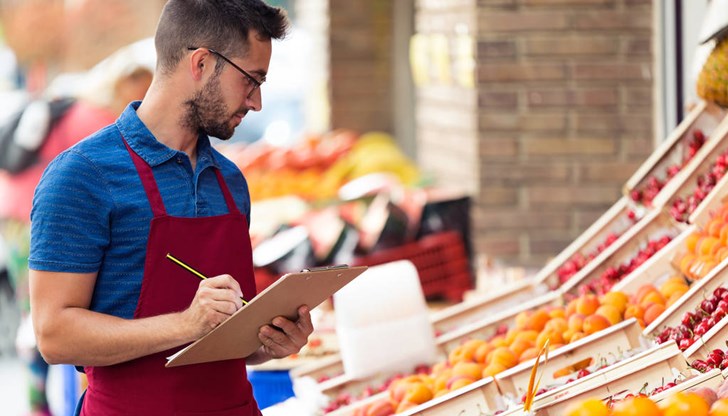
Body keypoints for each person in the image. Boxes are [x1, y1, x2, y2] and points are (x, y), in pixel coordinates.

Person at [28, 1, 313, 415]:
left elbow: (227, 335)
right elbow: (53, 335)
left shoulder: (230, 182)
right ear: (200, 63)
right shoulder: (82, 176)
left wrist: (270, 342)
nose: (257, 103)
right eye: (251, 80)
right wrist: (186, 324)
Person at [0, 40, 155, 416]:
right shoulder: (99, 121)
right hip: (32, 217)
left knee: (34, 310)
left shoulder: (79, 109)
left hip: (16, 212)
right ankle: (39, 404)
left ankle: (40, 401)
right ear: (127, 88)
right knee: (42, 315)